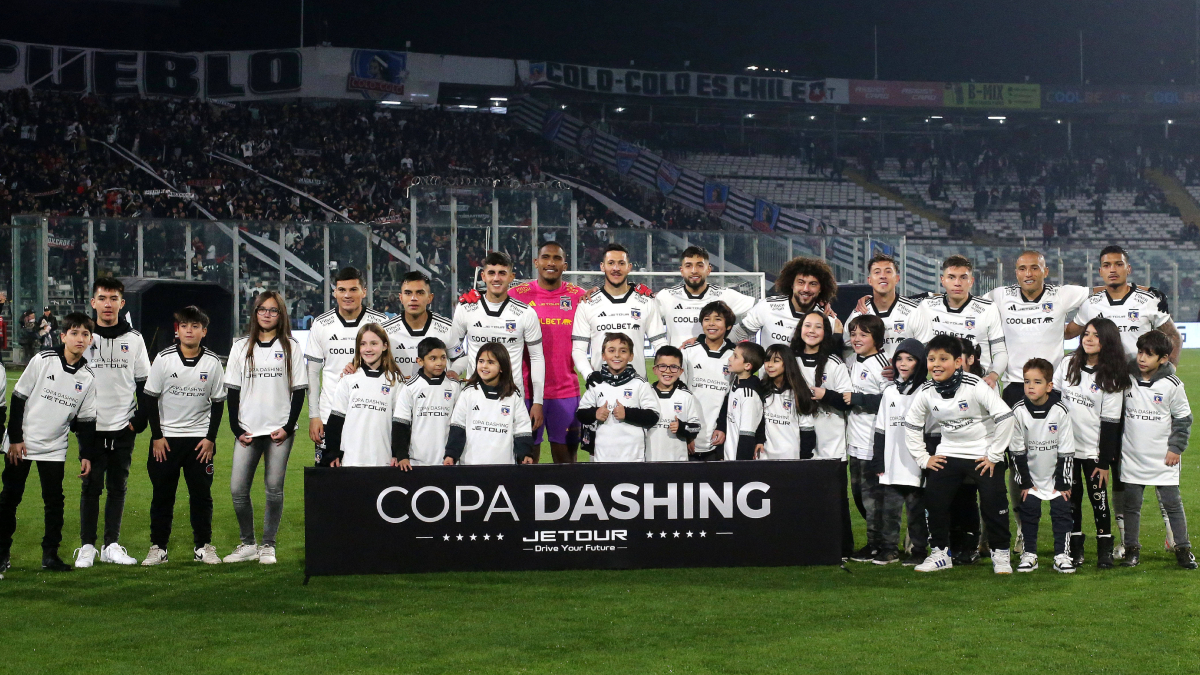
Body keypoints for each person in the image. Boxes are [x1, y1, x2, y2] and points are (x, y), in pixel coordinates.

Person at [904, 335, 1016, 574]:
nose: (936, 364)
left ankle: (1001, 554)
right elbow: (912, 424)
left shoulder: (975, 385)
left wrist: (994, 455)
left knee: (993, 502)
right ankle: (941, 553)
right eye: (931, 359)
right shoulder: (926, 391)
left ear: (957, 362)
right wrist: (924, 458)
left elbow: (1006, 417)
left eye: (943, 359)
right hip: (949, 452)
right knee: (934, 499)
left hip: (982, 453)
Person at [0, 313, 98, 573]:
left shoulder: (87, 377)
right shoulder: (43, 360)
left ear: (90, 340)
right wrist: (16, 439)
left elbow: (86, 421)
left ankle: (50, 555)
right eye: (74, 333)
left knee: (54, 502)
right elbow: (19, 398)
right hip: (22, 443)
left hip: (54, 448)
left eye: (85, 334)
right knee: (10, 498)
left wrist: (86, 455)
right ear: (63, 336)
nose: (80, 338)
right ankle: (1, 554)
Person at [224, 291, 308, 565]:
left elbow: (299, 391)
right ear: (255, 312)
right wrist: (236, 428)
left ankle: (268, 545)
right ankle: (248, 544)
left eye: (273, 310)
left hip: (278, 432)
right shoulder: (240, 347)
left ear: (281, 314)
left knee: (274, 488)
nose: (267, 314)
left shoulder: (291, 347)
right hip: (248, 430)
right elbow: (233, 391)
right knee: (238, 490)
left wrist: (287, 427)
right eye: (262, 309)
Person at [139, 306, 226, 566]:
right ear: (177, 331)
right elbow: (150, 398)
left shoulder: (212, 362)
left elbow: (219, 402)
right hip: (166, 440)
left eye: (195, 326)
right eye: (185, 326)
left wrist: (211, 439)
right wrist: (157, 436)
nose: (190, 330)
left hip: (199, 441)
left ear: (204, 331)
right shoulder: (164, 359)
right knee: (162, 495)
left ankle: (203, 546)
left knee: (201, 496)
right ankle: (158, 548)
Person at [76, 277, 151, 568]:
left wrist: (138, 421)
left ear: (122, 303)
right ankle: (87, 546)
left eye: (113, 298)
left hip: (123, 427)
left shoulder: (134, 339)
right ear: (93, 302)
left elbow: (144, 383)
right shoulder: (84, 338)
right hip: (90, 427)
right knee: (91, 488)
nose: (108, 304)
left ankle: (111, 545)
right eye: (102, 298)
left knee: (118, 487)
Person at [1055, 318, 1127, 569]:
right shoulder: (1067, 364)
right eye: (1086, 334)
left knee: (1099, 500)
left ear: (1107, 341)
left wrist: (1105, 462)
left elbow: (1110, 422)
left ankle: (1104, 548)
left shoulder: (1113, 375)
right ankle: (1075, 549)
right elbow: (1054, 399)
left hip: (1094, 452)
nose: (1088, 338)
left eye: (1096, 335)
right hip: (1066, 449)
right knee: (1071, 500)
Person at [1119, 330, 1195, 569]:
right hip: (1132, 455)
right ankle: (1132, 550)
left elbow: (1183, 418)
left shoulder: (1173, 385)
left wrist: (1176, 448)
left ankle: (1182, 549)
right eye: (1140, 352)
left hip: (1164, 456)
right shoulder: (1126, 377)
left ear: (1163, 359)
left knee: (1172, 504)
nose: (1142, 358)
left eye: (1149, 355)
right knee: (1131, 505)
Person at [507, 242, 587, 463]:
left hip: (564, 391)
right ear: (536, 262)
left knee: (566, 462)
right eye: (545, 257)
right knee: (525, 459)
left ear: (565, 265)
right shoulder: (516, 295)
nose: (550, 262)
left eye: (556, 258)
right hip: (525, 391)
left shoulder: (579, 296)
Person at [452, 252, 546, 432]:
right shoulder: (465, 309)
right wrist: (454, 375)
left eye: (502, 273)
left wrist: (537, 402)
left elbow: (536, 358)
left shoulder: (526, 313)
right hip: (474, 396)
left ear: (511, 277)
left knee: (510, 455)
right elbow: (452, 351)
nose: (496, 278)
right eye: (492, 272)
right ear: (483, 276)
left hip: (511, 397)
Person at [306, 267, 387, 465]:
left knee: (365, 479)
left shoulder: (381, 323)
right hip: (328, 414)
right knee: (327, 480)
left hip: (369, 415)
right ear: (335, 292)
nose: (347, 295)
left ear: (364, 292)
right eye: (342, 290)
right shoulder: (321, 324)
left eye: (353, 289)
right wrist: (314, 415)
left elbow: (389, 365)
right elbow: (313, 373)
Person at [986, 250, 1090, 406]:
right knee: (1013, 430)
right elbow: (968, 303)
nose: (1028, 274)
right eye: (1022, 269)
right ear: (1016, 273)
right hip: (1014, 384)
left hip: (1052, 384)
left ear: (1045, 271)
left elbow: (1103, 292)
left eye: (1034, 268)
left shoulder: (1060, 295)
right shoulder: (1001, 296)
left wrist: (1080, 322)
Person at [792, 310, 854, 557]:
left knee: (834, 501)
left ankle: (841, 548)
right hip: (795, 442)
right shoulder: (790, 359)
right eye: (808, 325)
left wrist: (824, 394)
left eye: (818, 327)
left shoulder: (835, 363)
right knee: (799, 499)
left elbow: (846, 400)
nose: (812, 331)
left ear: (826, 333)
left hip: (831, 443)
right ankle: (803, 545)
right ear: (800, 329)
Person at [1010, 358, 1077, 574]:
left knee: (1062, 511)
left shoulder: (1060, 411)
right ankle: (1030, 554)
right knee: (1029, 511)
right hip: (1031, 477)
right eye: (1027, 381)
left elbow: (1066, 450)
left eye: (1037, 382)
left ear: (1049, 386)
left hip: (1055, 476)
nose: (1030, 386)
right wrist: (1025, 483)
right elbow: (1016, 451)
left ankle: (1062, 555)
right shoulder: (1018, 411)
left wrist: (1063, 483)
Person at [905, 255, 1006, 389]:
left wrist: (993, 376)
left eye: (963, 277)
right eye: (951, 277)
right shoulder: (927, 306)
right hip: (937, 386)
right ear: (943, 280)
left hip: (978, 385)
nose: (957, 283)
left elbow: (1000, 351)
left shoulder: (988, 308)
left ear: (971, 281)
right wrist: (869, 298)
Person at [870, 338, 929, 566]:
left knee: (916, 512)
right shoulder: (890, 392)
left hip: (916, 464)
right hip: (892, 464)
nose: (903, 364)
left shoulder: (926, 392)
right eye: (899, 359)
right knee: (889, 512)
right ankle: (889, 550)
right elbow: (881, 430)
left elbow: (931, 432)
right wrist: (879, 462)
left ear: (920, 362)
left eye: (910, 359)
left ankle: (919, 550)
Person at [1067, 245, 1182, 363]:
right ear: (1100, 271)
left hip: (1139, 376)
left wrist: (1170, 369)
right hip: (1104, 376)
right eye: (1107, 265)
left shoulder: (1149, 301)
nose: (1113, 270)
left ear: (1128, 269)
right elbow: (1068, 333)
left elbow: (1173, 336)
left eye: (1119, 264)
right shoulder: (1090, 304)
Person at [572, 243, 667, 379]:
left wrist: (666, 368)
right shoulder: (587, 304)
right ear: (602, 266)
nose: (616, 268)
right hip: (600, 389)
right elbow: (578, 350)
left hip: (637, 390)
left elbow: (660, 343)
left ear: (629, 267)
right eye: (611, 263)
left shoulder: (646, 302)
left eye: (621, 263)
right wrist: (589, 375)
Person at [322, 324, 404, 468]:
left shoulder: (395, 381)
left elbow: (400, 423)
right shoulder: (348, 379)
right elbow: (336, 418)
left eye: (374, 343)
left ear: (385, 346)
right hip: (351, 458)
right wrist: (333, 452)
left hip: (383, 459)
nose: (368, 349)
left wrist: (398, 453)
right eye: (363, 344)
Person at [845, 315, 890, 562]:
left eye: (863, 334)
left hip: (874, 444)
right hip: (855, 442)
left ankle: (878, 544)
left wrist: (857, 399)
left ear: (876, 338)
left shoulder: (884, 365)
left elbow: (890, 401)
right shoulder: (852, 360)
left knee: (874, 498)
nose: (856, 339)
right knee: (860, 496)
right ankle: (877, 541)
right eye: (853, 334)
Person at [445, 342, 534, 466]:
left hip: (504, 467)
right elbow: (458, 427)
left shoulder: (513, 396)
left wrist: (525, 453)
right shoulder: (468, 393)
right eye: (481, 361)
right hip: (470, 466)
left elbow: (521, 427)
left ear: (502, 367)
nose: (484, 366)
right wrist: (451, 454)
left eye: (491, 362)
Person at [576, 333, 660, 462]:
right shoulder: (596, 384)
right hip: (601, 458)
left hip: (634, 459)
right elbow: (581, 413)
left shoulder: (640, 384)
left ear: (631, 356)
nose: (617, 355)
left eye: (623, 351)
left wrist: (627, 413)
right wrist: (595, 413)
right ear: (603, 356)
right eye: (611, 350)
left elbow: (653, 416)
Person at [731, 256, 841, 350]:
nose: (806, 289)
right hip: (768, 375)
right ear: (791, 284)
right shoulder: (768, 307)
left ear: (821, 288)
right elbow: (736, 335)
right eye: (801, 282)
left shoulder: (827, 319)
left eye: (813, 284)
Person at [656, 246, 756, 347]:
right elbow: (645, 318)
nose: (694, 270)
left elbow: (761, 309)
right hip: (678, 362)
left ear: (708, 269)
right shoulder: (666, 296)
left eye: (700, 265)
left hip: (715, 362)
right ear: (682, 271)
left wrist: (737, 333)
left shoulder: (724, 295)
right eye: (688, 266)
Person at [381, 271, 465, 379]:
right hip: (397, 395)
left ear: (430, 298)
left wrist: (454, 371)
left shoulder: (447, 328)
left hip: (436, 394)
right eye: (408, 293)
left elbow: (460, 358)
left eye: (420, 293)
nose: (413, 298)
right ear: (401, 298)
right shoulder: (385, 331)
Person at [392, 337, 460, 468]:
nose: (439, 363)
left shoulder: (454, 386)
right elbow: (400, 424)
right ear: (420, 361)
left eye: (443, 357)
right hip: (416, 463)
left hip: (447, 462)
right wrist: (402, 456)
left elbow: (459, 425)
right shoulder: (410, 387)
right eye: (433, 358)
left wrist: (453, 454)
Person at [682, 301, 737, 462]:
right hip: (689, 434)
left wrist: (722, 426)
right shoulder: (688, 352)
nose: (711, 323)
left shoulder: (735, 356)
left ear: (728, 326)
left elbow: (732, 397)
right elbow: (680, 394)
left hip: (717, 435)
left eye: (718, 319)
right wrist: (685, 432)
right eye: (707, 319)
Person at [845, 253, 921, 358]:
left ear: (897, 279)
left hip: (903, 374)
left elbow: (925, 350)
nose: (883, 276)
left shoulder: (914, 311)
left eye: (888, 271)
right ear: (869, 280)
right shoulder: (859, 312)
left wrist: (900, 366)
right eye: (877, 272)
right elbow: (847, 347)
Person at [756, 344, 817, 460]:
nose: (770, 365)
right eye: (767, 360)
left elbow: (807, 429)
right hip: (764, 456)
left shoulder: (799, 392)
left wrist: (804, 458)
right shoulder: (761, 389)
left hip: (790, 457)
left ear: (787, 363)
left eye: (776, 361)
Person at [647, 346, 702, 462]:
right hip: (648, 460)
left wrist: (681, 427)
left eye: (673, 367)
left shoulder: (686, 396)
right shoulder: (645, 394)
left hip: (678, 462)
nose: (667, 371)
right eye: (662, 366)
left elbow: (696, 427)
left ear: (681, 371)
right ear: (655, 369)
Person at [723, 342, 765, 461]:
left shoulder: (749, 395)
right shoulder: (736, 383)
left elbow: (747, 435)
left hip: (738, 462)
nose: (730, 359)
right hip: (728, 459)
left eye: (735, 356)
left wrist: (741, 466)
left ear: (747, 366)